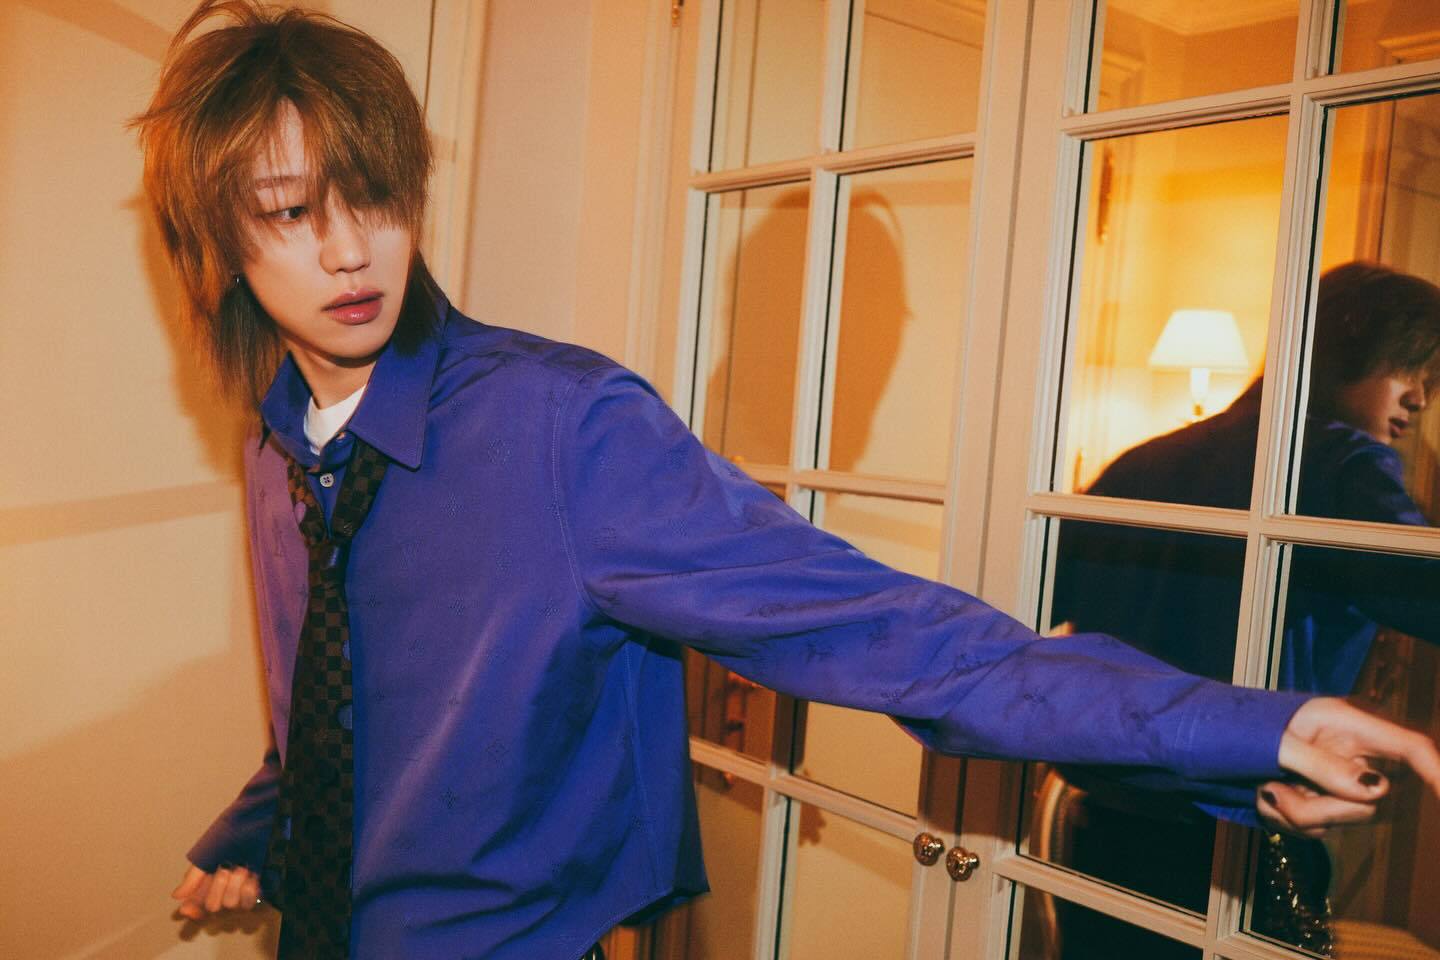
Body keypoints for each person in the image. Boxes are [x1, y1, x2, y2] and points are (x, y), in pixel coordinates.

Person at [133, 5, 1440, 959]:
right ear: (218, 243)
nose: (350, 249)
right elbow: (336, 695)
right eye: (291, 211)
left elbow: (901, 638)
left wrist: (1243, 729)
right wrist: (259, 821)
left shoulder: (560, 429)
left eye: (372, 195)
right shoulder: (277, 440)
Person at [1050, 261, 1440, 957]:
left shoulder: (1141, 461)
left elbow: (1049, 605)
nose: (1420, 397)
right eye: (1409, 367)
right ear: (1347, 346)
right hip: (1239, 833)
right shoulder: (1338, 464)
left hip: (1105, 828)